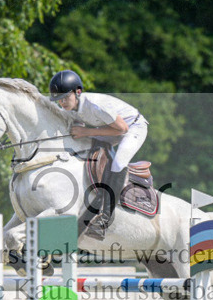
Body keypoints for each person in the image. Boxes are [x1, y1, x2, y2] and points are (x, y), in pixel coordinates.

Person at [49, 69, 149, 240]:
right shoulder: (71, 107)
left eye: (65, 97)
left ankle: (105, 218)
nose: (62, 103)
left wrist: (86, 132)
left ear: (78, 92)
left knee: (118, 162)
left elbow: (122, 129)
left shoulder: (95, 105)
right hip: (110, 129)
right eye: (59, 99)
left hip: (133, 127)